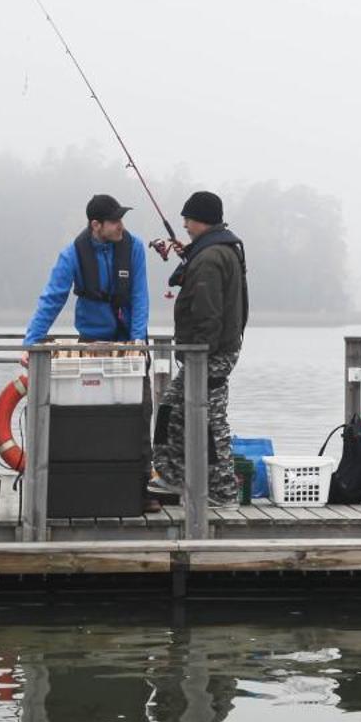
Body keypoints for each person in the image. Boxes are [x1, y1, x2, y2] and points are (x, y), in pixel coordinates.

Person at [153, 191, 248, 506]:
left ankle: (222, 492)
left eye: (188, 219)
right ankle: (174, 477)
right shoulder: (219, 250)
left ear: (200, 220)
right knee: (172, 410)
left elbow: (208, 313)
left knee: (211, 421)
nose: (184, 225)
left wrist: (197, 356)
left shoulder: (210, 258)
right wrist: (191, 256)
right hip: (216, 351)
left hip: (208, 355)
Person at [24, 193, 150, 348]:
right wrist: (30, 344)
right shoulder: (71, 254)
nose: (121, 226)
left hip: (129, 339)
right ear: (96, 225)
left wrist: (137, 341)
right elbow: (51, 300)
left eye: (121, 220)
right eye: (114, 221)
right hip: (91, 341)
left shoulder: (135, 247)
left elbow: (140, 296)